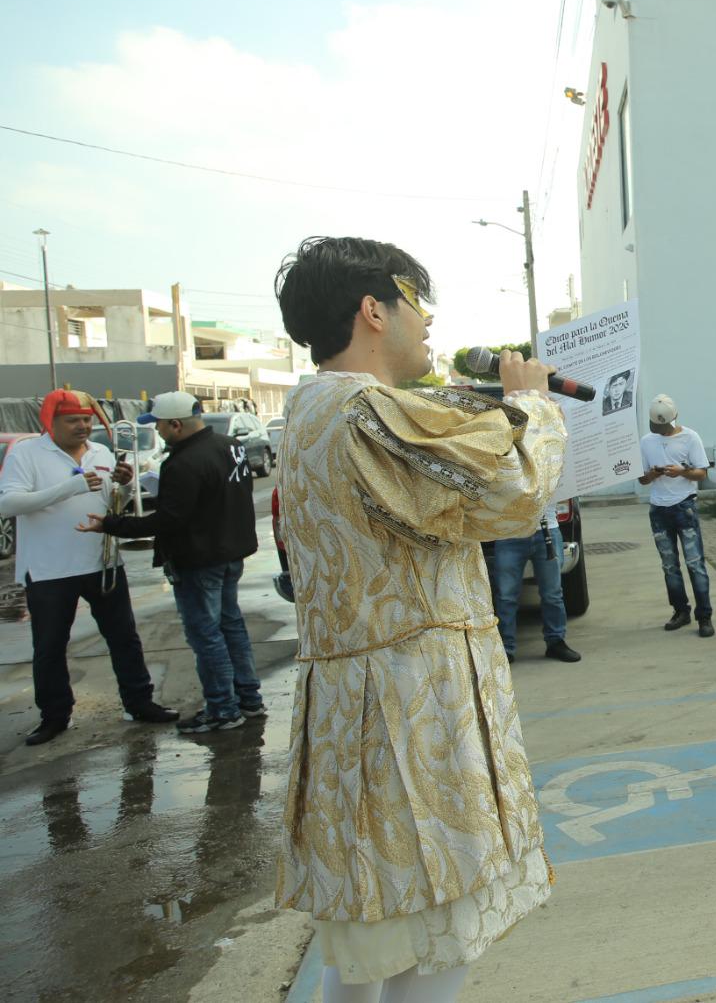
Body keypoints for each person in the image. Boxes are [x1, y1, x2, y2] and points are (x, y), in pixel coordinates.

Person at [269, 236, 567, 1001]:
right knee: (441, 928)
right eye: (416, 305)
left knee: (378, 934)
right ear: (375, 309)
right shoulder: (363, 413)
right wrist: (532, 403)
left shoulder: (311, 410)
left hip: (359, 702)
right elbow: (513, 494)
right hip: (408, 708)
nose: (428, 325)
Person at [82, 390, 263, 736]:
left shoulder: (182, 463)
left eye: (161, 426)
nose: (160, 432)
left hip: (198, 559)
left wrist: (110, 524)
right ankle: (248, 699)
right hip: (229, 553)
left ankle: (223, 709)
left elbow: (167, 521)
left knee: (206, 635)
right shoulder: (230, 446)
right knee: (231, 627)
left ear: (176, 424)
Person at [0, 389, 176, 746]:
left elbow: (112, 502)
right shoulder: (26, 454)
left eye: (86, 420)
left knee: (124, 637)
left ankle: (139, 702)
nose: (83, 426)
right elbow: (9, 504)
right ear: (50, 422)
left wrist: (125, 485)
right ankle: (54, 716)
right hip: (49, 569)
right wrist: (69, 487)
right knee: (49, 646)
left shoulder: (101, 451)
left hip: (102, 561)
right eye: (73, 421)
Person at [638, 394, 714, 637]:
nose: (661, 431)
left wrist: (682, 472)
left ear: (675, 417)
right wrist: (653, 474)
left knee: (695, 563)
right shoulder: (647, 441)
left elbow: (702, 474)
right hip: (659, 508)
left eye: (664, 426)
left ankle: (705, 616)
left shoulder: (690, 438)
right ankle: (680, 611)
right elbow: (642, 479)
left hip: (684, 506)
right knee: (669, 565)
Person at [491, 518, 581, 662]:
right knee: (505, 596)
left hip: (547, 529)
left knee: (552, 594)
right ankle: (505, 648)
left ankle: (556, 642)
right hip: (508, 532)